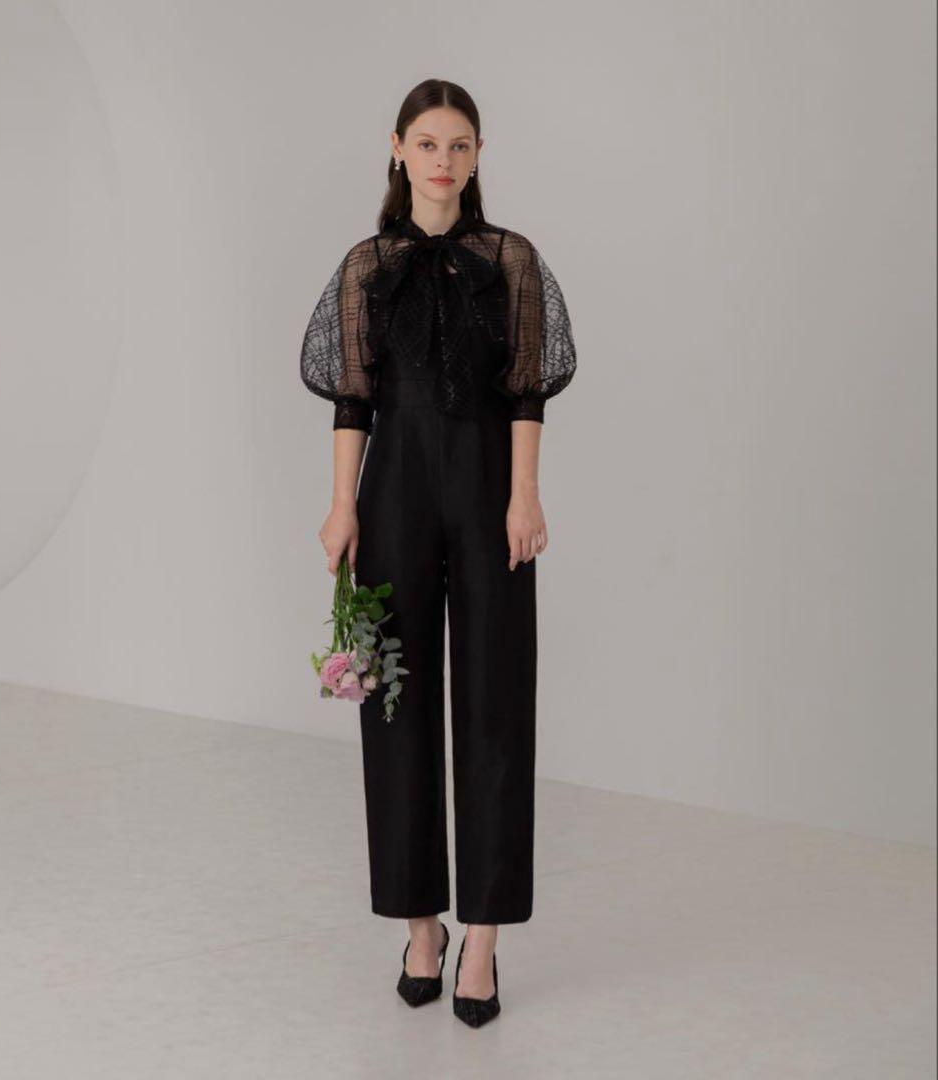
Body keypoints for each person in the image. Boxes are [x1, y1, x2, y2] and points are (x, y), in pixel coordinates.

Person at [300, 78, 576, 1027]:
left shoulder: (510, 258)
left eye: (459, 144)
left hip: (490, 489)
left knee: (496, 704)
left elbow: (528, 389)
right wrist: (342, 507)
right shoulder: (366, 265)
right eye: (427, 143)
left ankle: (483, 941)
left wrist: (524, 495)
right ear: (397, 149)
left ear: (478, 155)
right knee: (395, 703)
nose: (443, 160)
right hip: (394, 493)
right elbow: (352, 401)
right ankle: (421, 926)